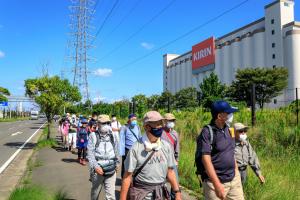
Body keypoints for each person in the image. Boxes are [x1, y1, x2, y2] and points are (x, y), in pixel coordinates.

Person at [120, 111, 182, 200]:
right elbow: (127, 178)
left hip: (160, 194)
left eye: (161, 123)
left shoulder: (166, 146)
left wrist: (177, 192)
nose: (160, 126)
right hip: (141, 195)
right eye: (157, 124)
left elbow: (170, 172)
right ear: (147, 127)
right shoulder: (136, 148)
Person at [195, 100, 244, 200]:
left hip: (234, 180)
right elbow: (206, 160)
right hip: (214, 183)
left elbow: (231, 152)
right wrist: (217, 184)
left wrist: (236, 172)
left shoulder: (229, 129)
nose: (231, 115)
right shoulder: (207, 132)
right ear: (219, 116)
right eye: (228, 113)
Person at [87, 114, 120, 200]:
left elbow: (116, 150)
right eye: (103, 123)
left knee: (111, 196)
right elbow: (90, 154)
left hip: (111, 169)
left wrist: (117, 163)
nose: (106, 125)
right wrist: (96, 167)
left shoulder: (112, 136)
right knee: (95, 193)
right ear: (98, 124)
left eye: (108, 123)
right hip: (98, 170)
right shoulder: (93, 136)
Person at [161, 113, 180, 200]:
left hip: (172, 162)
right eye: (169, 120)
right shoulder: (160, 132)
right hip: (161, 161)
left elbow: (177, 148)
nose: (171, 122)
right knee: (161, 182)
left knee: (175, 182)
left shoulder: (175, 133)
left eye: (172, 120)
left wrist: (177, 160)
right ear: (164, 121)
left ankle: (173, 197)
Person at [119, 113, 141, 178]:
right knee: (125, 165)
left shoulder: (137, 126)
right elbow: (121, 140)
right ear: (129, 120)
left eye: (135, 119)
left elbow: (139, 137)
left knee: (135, 165)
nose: (134, 120)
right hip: (127, 149)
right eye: (133, 119)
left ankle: (132, 180)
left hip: (136, 149)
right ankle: (123, 179)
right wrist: (122, 152)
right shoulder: (124, 127)